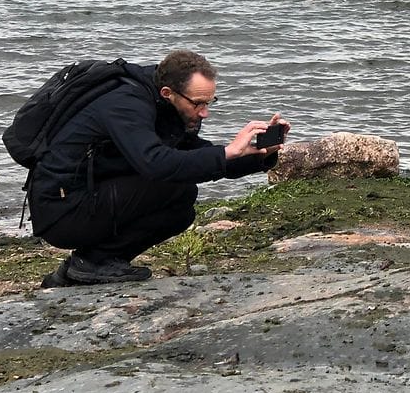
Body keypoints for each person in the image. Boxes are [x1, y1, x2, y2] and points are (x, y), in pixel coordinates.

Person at [31, 50, 288, 287]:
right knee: (177, 188)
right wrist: (227, 152)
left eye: (210, 102)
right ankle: (90, 263)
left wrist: (258, 155)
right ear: (168, 92)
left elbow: (194, 154)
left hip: (92, 196)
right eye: (198, 103)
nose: (204, 113)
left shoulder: (165, 106)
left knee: (181, 211)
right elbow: (155, 163)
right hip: (61, 209)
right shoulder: (125, 104)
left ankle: (89, 263)